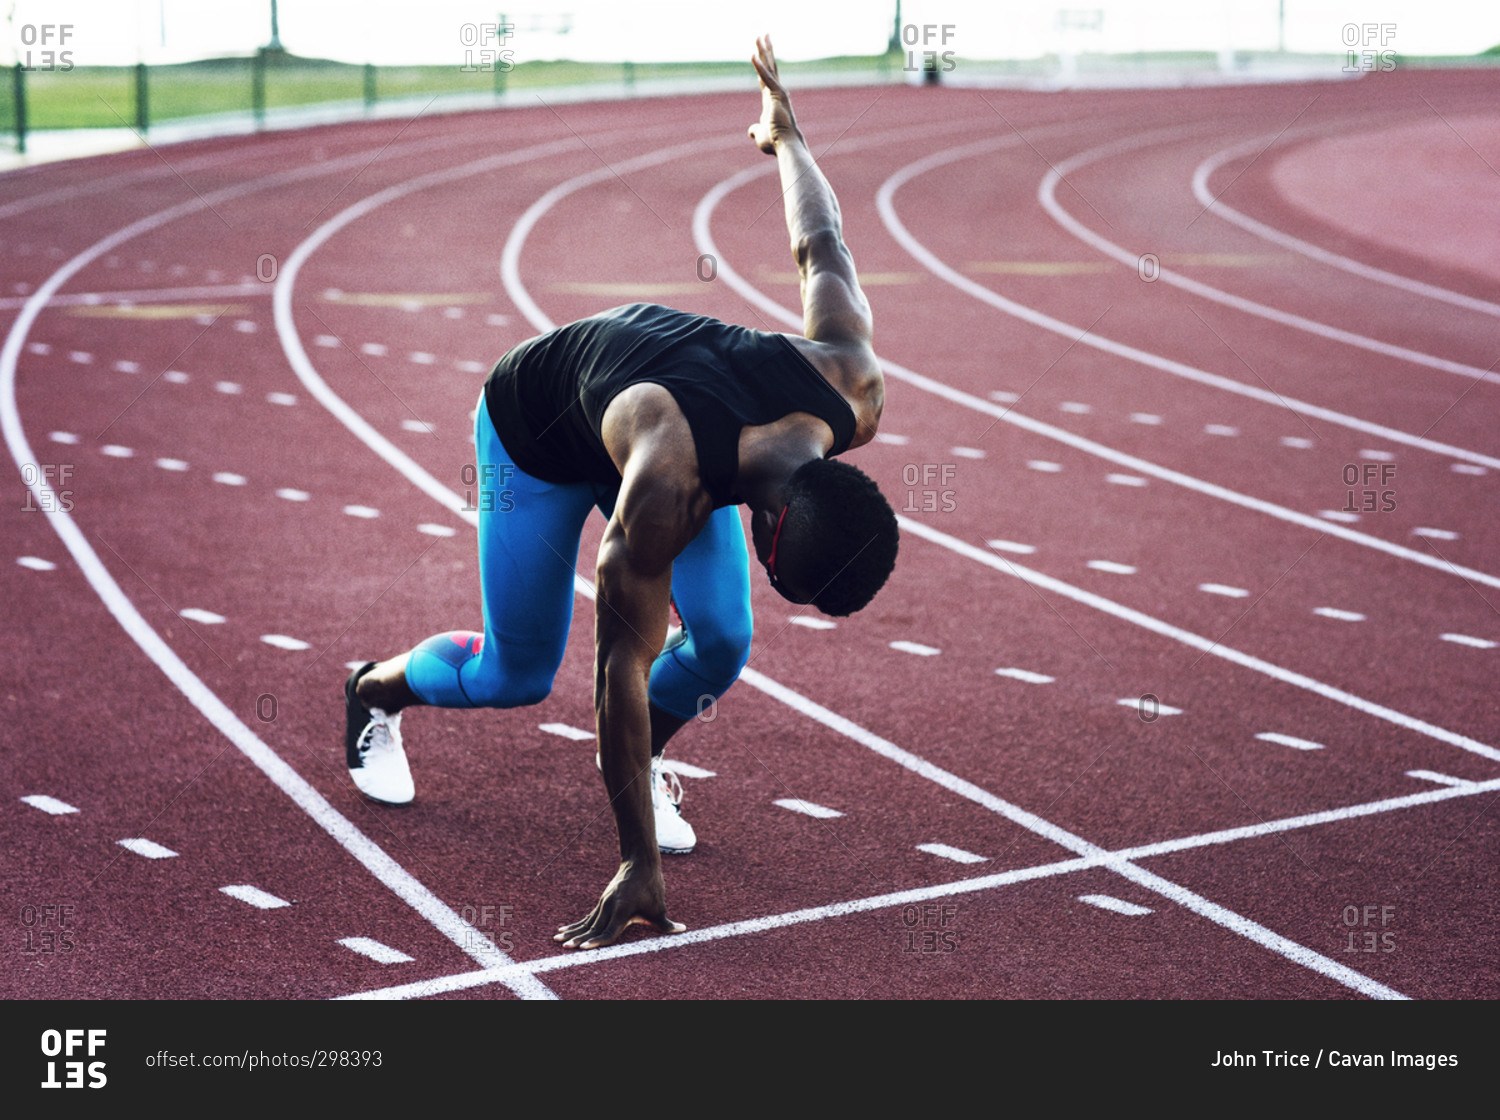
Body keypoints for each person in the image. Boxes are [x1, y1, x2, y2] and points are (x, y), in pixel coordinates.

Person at [343, 36, 897, 949]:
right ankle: (372, 693)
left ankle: (642, 769)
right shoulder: (670, 493)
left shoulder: (852, 385)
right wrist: (636, 862)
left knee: (721, 639)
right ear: (765, 529)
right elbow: (618, 674)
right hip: (535, 428)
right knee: (518, 674)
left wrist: (787, 139)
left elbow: (820, 242)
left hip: (644, 400)